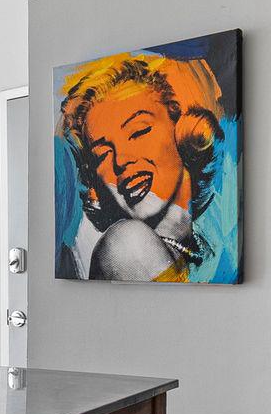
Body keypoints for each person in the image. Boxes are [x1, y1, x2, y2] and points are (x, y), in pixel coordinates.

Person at [57, 53, 228, 282]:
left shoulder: (211, 244)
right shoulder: (127, 244)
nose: (121, 161)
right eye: (102, 155)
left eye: (138, 132)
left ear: (178, 130)